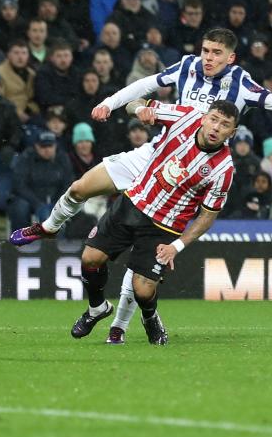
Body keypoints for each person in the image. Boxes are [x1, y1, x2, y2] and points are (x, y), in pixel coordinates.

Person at [11, 27, 272, 344]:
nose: (208, 58)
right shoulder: (188, 67)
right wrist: (112, 103)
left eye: (217, 53)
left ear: (231, 57)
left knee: (141, 263)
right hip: (157, 152)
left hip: (188, 175)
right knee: (79, 188)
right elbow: (145, 86)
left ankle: (120, 325)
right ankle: (48, 227)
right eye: (206, 51)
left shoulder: (242, 83)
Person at [72, 99, 239, 346]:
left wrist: (176, 246)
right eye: (213, 119)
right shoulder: (185, 117)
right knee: (90, 259)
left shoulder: (223, 169)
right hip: (133, 202)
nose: (216, 127)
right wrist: (142, 110)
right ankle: (97, 307)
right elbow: (133, 104)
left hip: (164, 226)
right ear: (204, 118)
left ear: (232, 133)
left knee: (142, 289)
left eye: (224, 125)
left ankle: (150, 317)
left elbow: (206, 217)